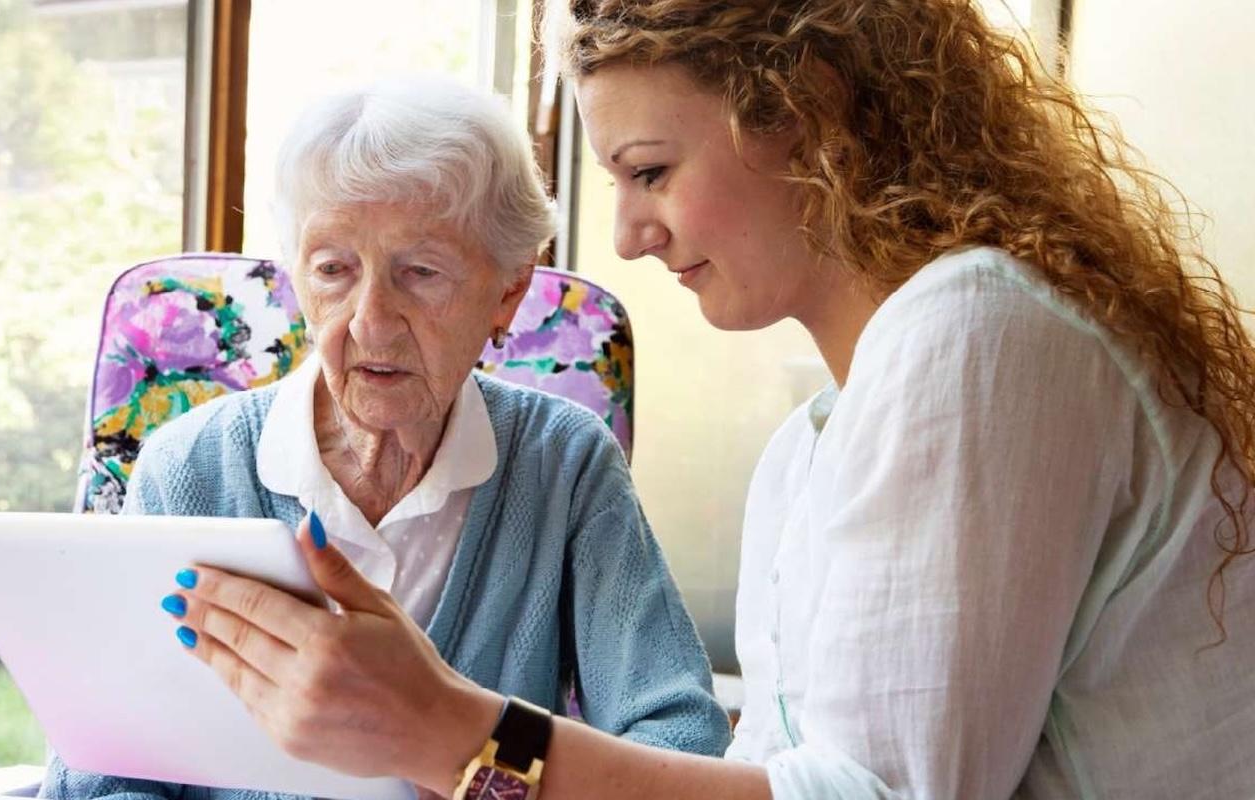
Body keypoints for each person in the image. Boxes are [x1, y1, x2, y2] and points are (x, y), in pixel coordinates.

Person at [162, 1, 1255, 798]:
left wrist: (450, 729)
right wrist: (450, 735)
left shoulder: (976, 336)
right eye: (332, 268)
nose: (628, 235)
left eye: (649, 170)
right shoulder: (809, 452)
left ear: (807, 113)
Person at [37, 77, 732, 800]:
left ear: (508, 290)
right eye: (333, 270)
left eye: (421, 272)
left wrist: (475, 764)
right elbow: (101, 775)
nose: (370, 321)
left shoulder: (564, 463)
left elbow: (678, 738)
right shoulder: (189, 469)